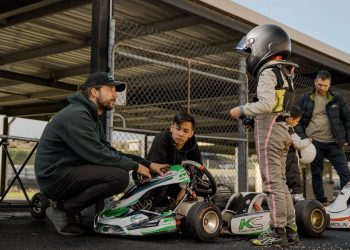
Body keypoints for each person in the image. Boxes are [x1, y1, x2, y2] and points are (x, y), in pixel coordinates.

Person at [34, 72, 168, 236]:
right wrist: (134, 166)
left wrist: (147, 164)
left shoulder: (90, 117)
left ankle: (64, 208)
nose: (115, 95)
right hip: (54, 177)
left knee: (117, 172)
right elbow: (97, 154)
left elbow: (109, 152)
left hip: (65, 172)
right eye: (111, 89)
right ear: (94, 92)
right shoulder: (77, 115)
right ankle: (62, 211)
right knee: (118, 177)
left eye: (115, 91)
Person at [230, 24, 298, 246]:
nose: (250, 56)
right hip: (282, 130)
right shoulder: (284, 72)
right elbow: (278, 105)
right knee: (281, 183)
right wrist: (253, 119)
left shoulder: (268, 71)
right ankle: (290, 229)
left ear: (264, 46)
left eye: (251, 50)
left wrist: (243, 110)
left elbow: (267, 104)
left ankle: (277, 232)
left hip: (270, 133)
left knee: (271, 184)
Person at [295, 70, 350, 205]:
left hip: (334, 142)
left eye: (325, 85)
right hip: (314, 143)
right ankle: (321, 201)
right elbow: (296, 120)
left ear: (329, 84)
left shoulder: (338, 99)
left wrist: (348, 138)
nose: (322, 88)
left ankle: (347, 201)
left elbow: (348, 119)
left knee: (344, 172)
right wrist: (304, 138)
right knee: (316, 173)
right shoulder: (305, 98)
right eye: (320, 85)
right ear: (315, 82)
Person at [146, 112, 202, 204]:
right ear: (171, 127)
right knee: (159, 187)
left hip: (181, 183)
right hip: (157, 181)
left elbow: (198, 171)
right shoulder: (161, 139)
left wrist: (185, 189)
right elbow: (157, 171)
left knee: (203, 187)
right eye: (178, 129)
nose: (180, 134)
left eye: (185, 131)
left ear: (191, 133)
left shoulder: (193, 145)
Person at [286, 105, 314, 200]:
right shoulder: (289, 129)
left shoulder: (279, 127)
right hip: (290, 159)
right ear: (290, 119)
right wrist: (309, 140)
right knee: (295, 178)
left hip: (281, 159)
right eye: (297, 121)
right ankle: (298, 198)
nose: (297, 123)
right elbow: (298, 144)